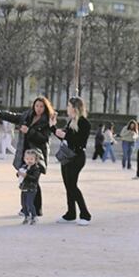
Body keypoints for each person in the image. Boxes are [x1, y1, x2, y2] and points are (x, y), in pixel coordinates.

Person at [0, 96, 57, 218]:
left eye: (41, 106)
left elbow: (44, 139)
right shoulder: (27, 115)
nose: (39, 109)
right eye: (37, 106)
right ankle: (28, 207)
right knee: (26, 180)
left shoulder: (47, 121)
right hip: (26, 154)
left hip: (37, 154)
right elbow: (11, 116)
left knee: (34, 180)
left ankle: (34, 208)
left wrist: (29, 131)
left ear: (45, 107)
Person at [54, 96, 92, 225]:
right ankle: (71, 213)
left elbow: (80, 142)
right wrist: (56, 130)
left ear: (75, 108)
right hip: (67, 156)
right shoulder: (71, 121)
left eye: (69, 106)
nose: (67, 108)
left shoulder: (84, 123)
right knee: (68, 186)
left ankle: (85, 214)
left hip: (77, 157)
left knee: (72, 186)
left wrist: (65, 135)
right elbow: (67, 139)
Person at [18, 148, 45, 225]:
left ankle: (34, 216)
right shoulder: (24, 166)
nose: (29, 161)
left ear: (35, 160)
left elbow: (34, 178)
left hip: (32, 188)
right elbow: (19, 174)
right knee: (23, 203)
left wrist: (26, 175)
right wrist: (19, 173)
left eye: (31, 159)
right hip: (24, 188)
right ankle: (26, 216)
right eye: (27, 159)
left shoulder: (36, 168)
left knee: (30, 203)